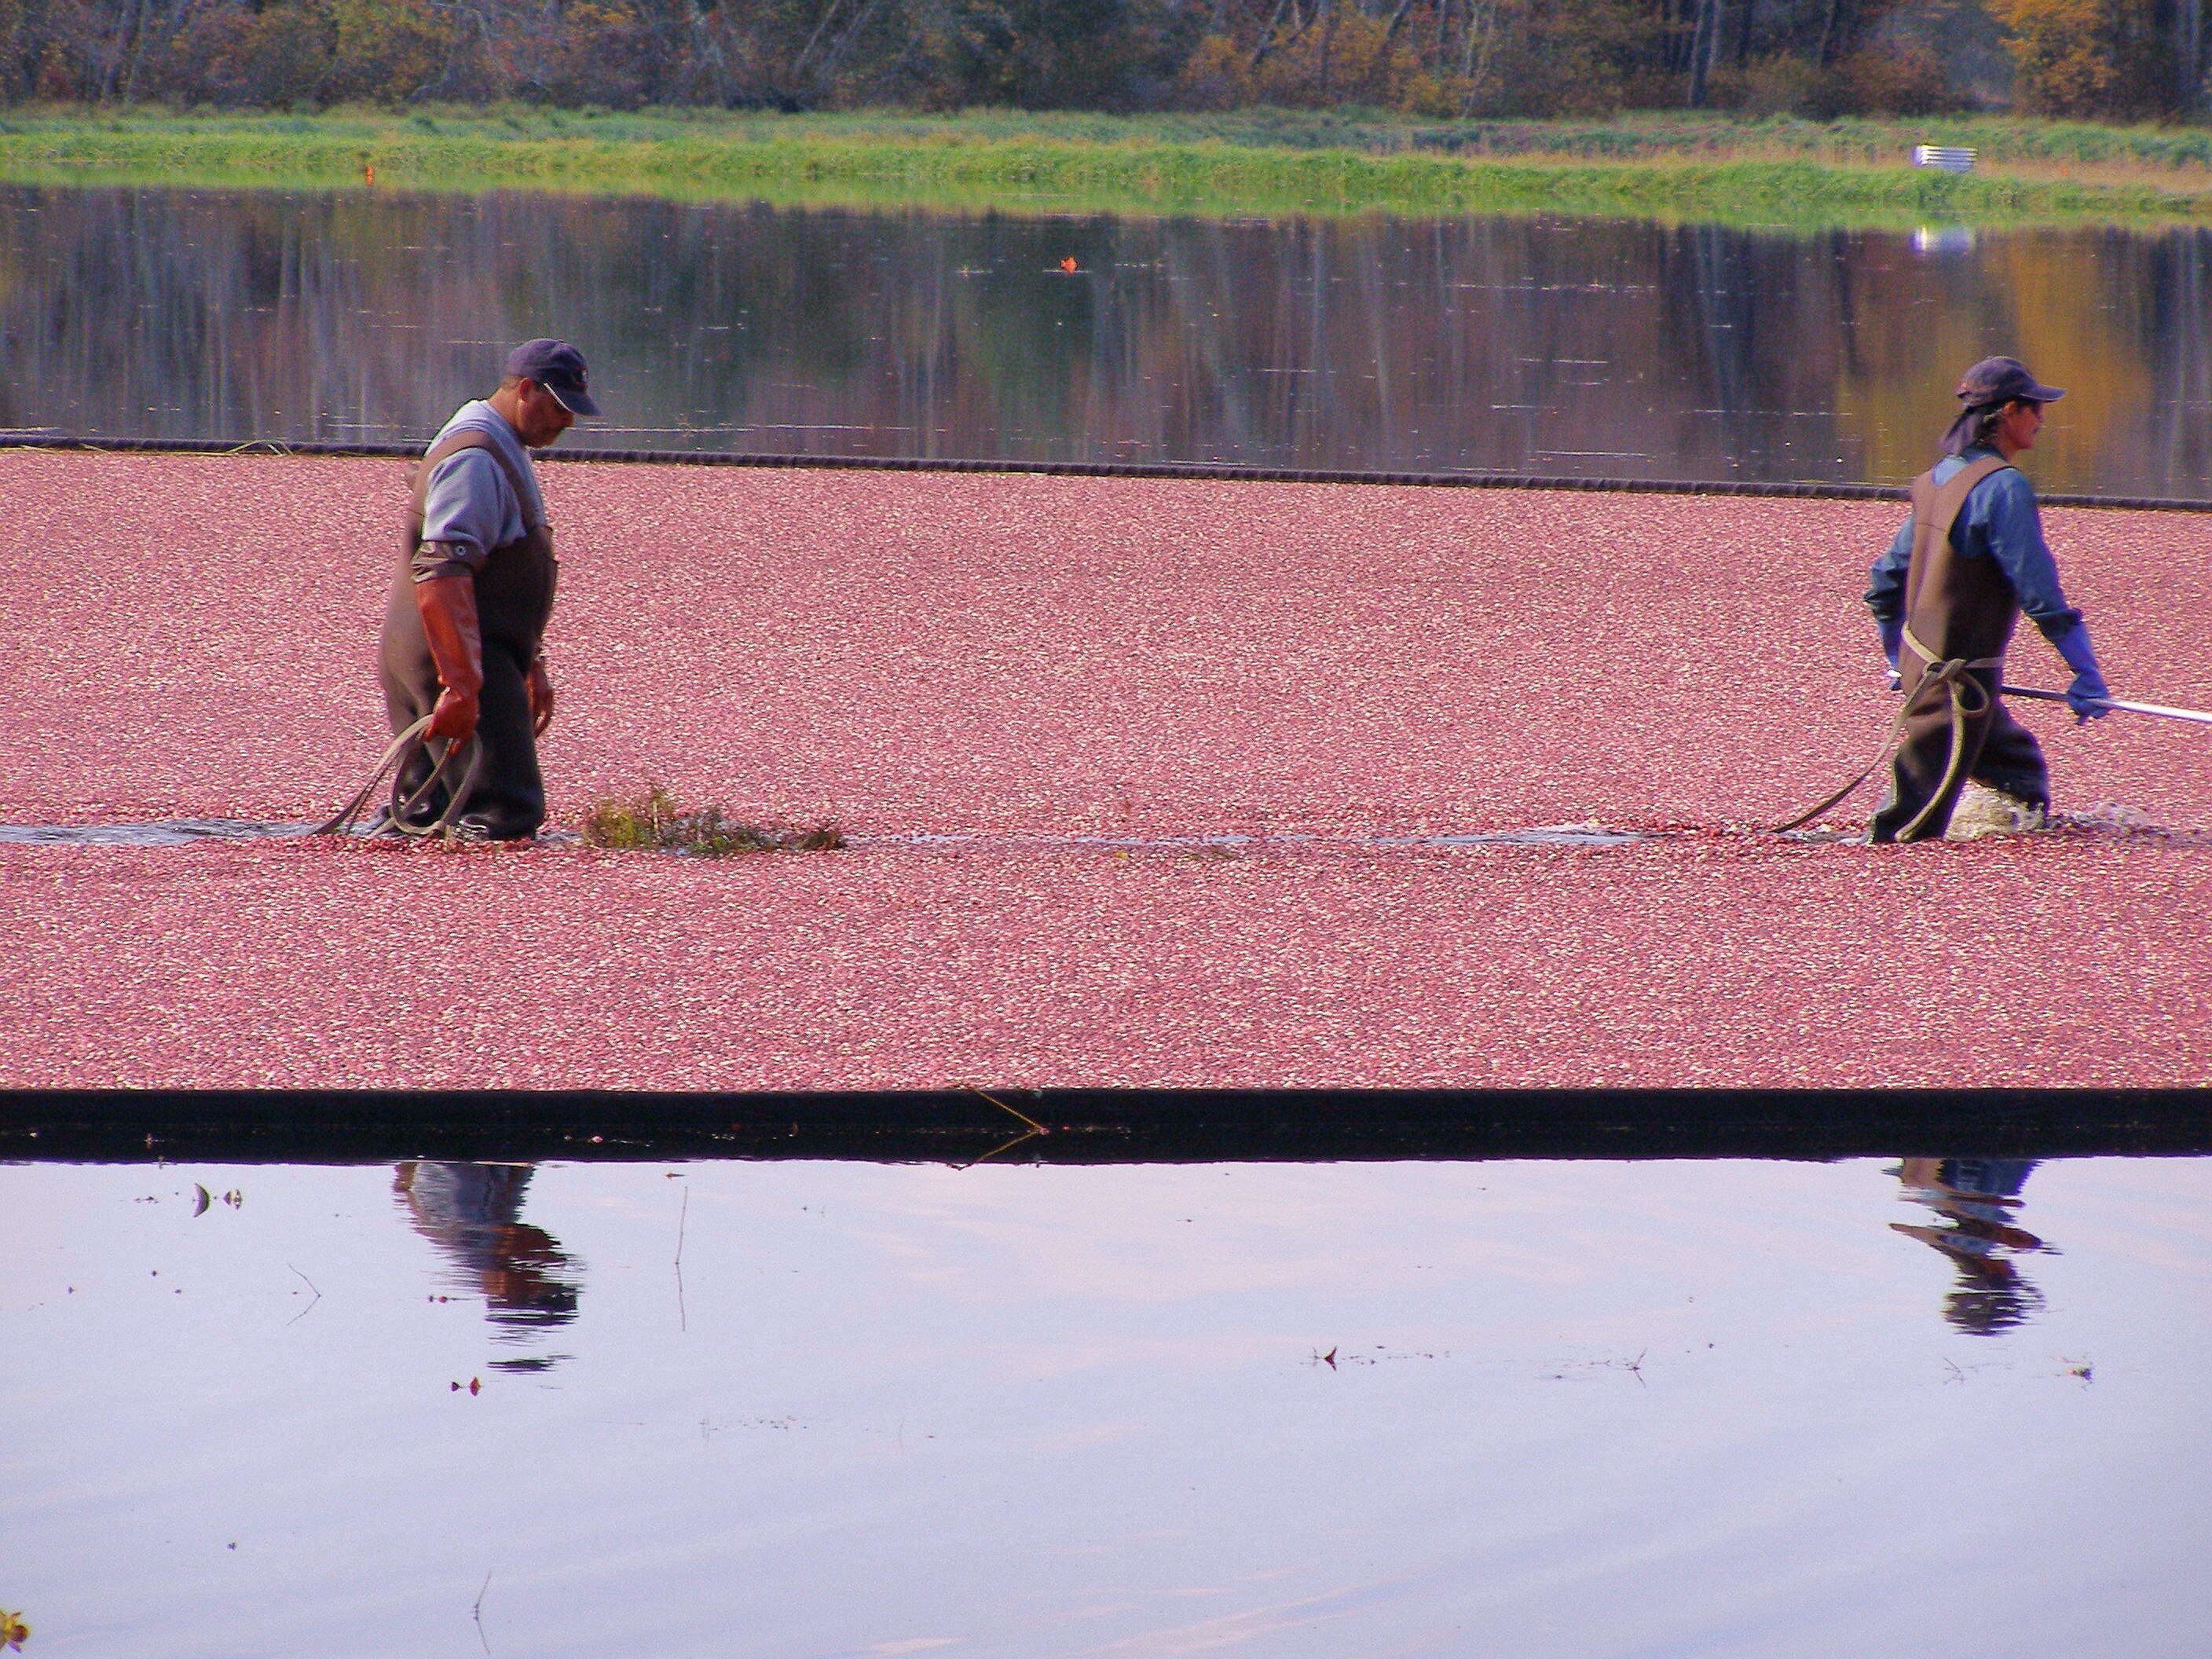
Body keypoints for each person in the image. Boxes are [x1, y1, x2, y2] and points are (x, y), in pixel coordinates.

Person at [1862, 356, 2111, 844]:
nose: (2042, 420)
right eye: (2036, 409)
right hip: (1958, 686)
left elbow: (1884, 582)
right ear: (2011, 411)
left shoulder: (1938, 480)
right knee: (1906, 825)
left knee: (2019, 777)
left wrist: (1900, 658)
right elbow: (2040, 595)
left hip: (1937, 673)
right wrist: (2084, 670)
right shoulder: (2004, 488)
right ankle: (1863, 879)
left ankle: (1999, 844)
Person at [377, 339, 600, 840]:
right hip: (452, 656)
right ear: (525, 391)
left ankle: (414, 908)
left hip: (439, 652)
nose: (568, 421)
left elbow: (496, 568)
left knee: (423, 816)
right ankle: (478, 916)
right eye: (561, 407)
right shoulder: (476, 457)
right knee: (505, 815)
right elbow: (442, 573)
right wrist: (461, 688)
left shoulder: (495, 440)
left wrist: (531, 663)